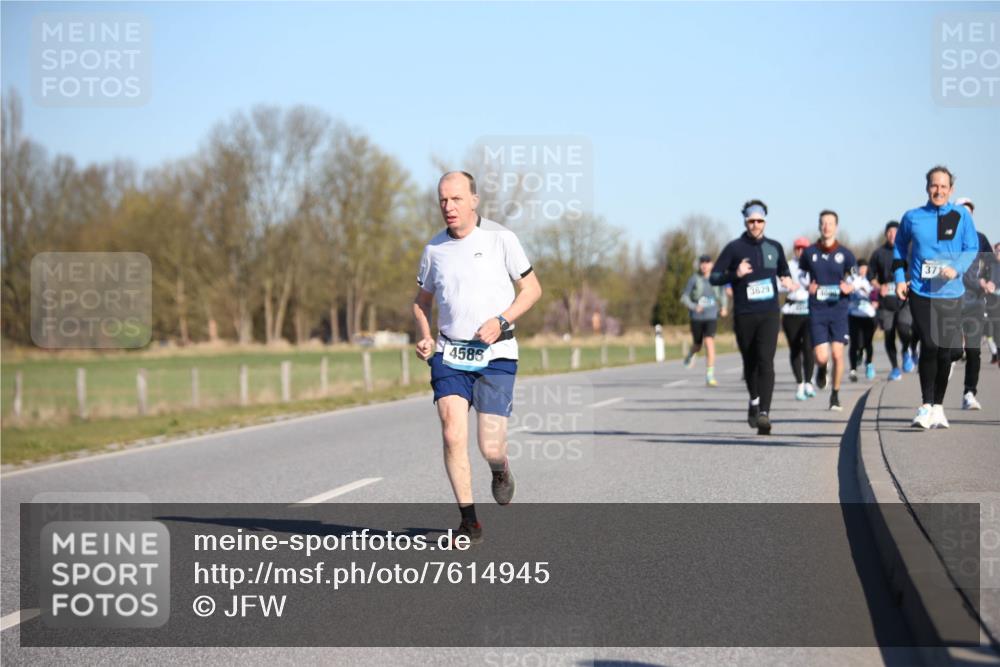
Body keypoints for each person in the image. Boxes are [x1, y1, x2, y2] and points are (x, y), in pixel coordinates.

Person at [413, 171, 542, 543]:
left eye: (455, 199)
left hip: (496, 354)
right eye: (442, 200)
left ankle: (500, 469)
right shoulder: (434, 250)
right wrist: (425, 337)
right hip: (450, 354)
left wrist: (502, 321)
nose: (448, 207)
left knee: (490, 446)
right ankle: (469, 521)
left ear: (474, 200)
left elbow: (532, 289)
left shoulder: (502, 239)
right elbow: (421, 304)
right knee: (452, 432)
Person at [893, 166, 979, 429]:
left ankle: (938, 407)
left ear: (951, 189)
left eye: (943, 186)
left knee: (945, 354)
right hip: (921, 291)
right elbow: (898, 247)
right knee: (929, 345)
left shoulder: (961, 216)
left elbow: (971, 247)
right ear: (927, 187)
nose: (938, 190)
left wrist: (957, 269)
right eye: (934, 185)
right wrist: (899, 279)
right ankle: (925, 405)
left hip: (951, 293)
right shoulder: (913, 217)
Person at [710, 200, 796, 435]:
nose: (755, 225)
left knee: (766, 361)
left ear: (765, 222)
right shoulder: (734, 248)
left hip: (769, 313)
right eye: (751, 221)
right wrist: (734, 274)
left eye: (759, 221)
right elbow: (714, 277)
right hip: (744, 314)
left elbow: (784, 272)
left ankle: (765, 414)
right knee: (750, 362)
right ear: (745, 221)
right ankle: (754, 400)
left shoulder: (775, 247)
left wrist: (787, 281)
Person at [798, 210, 857, 412]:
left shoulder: (846, 254)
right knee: (822, 357)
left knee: (838, 354)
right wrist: (808, 286)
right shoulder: (809, 253)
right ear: (819, 226)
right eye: (823, 223)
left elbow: (855, 277)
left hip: (839, 309)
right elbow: (801, 275)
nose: (826, 226)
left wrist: (850, 287)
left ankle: (835, 394)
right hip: (818, 310)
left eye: (830, 223)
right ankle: (822, 370)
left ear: (836, 227)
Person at [954, 197, 993, 410]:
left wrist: (990, 281)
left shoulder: (981, 239)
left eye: (969, 213)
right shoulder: (948, 239)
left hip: (974, 302)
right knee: (950, 351)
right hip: (950, 301)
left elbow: (992, 267)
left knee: (974, 350)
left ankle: (969, 392)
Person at [869, 221, 915, 381]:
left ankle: (906, 350)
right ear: (885, 234)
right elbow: (870, 276)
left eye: (895, 232)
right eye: (889, 232)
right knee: (889, 334)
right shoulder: (878, 253)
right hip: (886, 301)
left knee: (903, 328)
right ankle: (895, 368)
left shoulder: (909, 250)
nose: (892, 235)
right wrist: (878, 286)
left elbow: (918, 269)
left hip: (904, 298)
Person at [681, 254, 730, 386]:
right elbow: (684, 297)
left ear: (712, 264)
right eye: (702, 262)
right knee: (697, 345)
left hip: (711, 316)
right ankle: (691, 354)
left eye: (707, 262)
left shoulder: (716, 278)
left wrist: (724, 307)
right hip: (696, 318)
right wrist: (693, 306)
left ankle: (710, 375)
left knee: (709, 342)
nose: (704, 265)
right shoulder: (694, 279)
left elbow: (723, 295)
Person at [780, 237, 817, 400]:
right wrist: (786, 285)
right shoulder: (787, 265)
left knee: (808, 347)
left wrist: (815, 287)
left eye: (804, 248)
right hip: (791, 310)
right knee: (795, 348)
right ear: (794, 250)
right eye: (798, 248)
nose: (801, 251)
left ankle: (809, 381)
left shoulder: (814, 264)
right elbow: (776, 284)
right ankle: (800, 383)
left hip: (809, 310)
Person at [847, 259, 878, 382]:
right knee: (855, 343)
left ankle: (869, 364)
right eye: (861, 268)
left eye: (865, 268)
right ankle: (853, 370)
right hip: (854, 314)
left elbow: (876, 296)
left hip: (869, 315)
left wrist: (872, 297)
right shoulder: (851, 280)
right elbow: (847, 292)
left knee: (867, 342)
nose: (863, 270)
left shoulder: (871, 281)